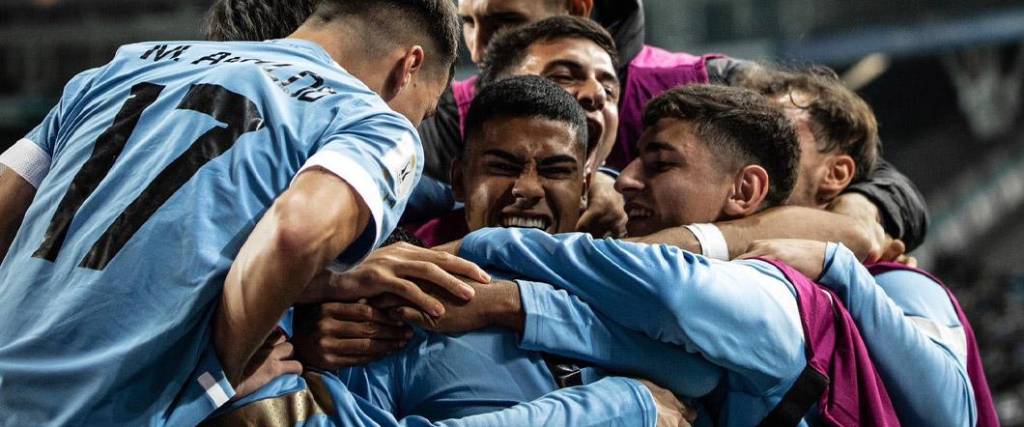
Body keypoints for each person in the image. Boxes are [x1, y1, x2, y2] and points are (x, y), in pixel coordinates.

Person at [0, 0, 463, 425]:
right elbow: (295, 234)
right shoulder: (371, 120)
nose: (415, 124)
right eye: (424, 111)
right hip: (107, 408)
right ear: (409, 67)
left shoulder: (121, 65)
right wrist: (217, 376)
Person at [209, 76, 693, 427]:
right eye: (503, 166)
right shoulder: (385, 312)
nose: (527, 189)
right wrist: (624, 407)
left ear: (588, 189)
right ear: (460, 179)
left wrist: (513, 305)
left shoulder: (634, 283)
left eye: (554, 170)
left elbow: (706, 370)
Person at [739, 69, 998, 427]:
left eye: (774, 134)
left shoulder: (897, 283)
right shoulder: (748, 279)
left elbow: (951, 417)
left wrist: (839, 268)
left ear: (835, 174)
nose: (748, 149)